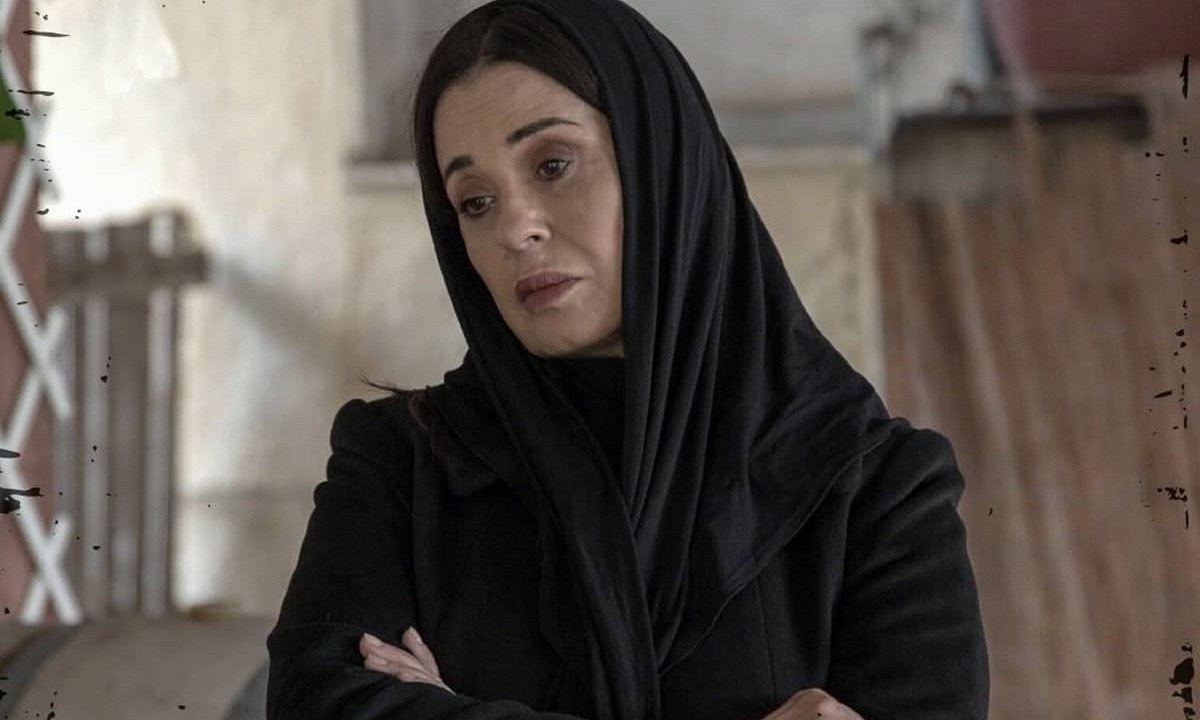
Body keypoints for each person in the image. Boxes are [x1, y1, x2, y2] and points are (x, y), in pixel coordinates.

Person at [265, 0, 990, 718]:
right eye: (475, 202)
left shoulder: (876, 492)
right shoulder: (399, 467)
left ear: (662, 167)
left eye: (552, 164)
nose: (516, 228)